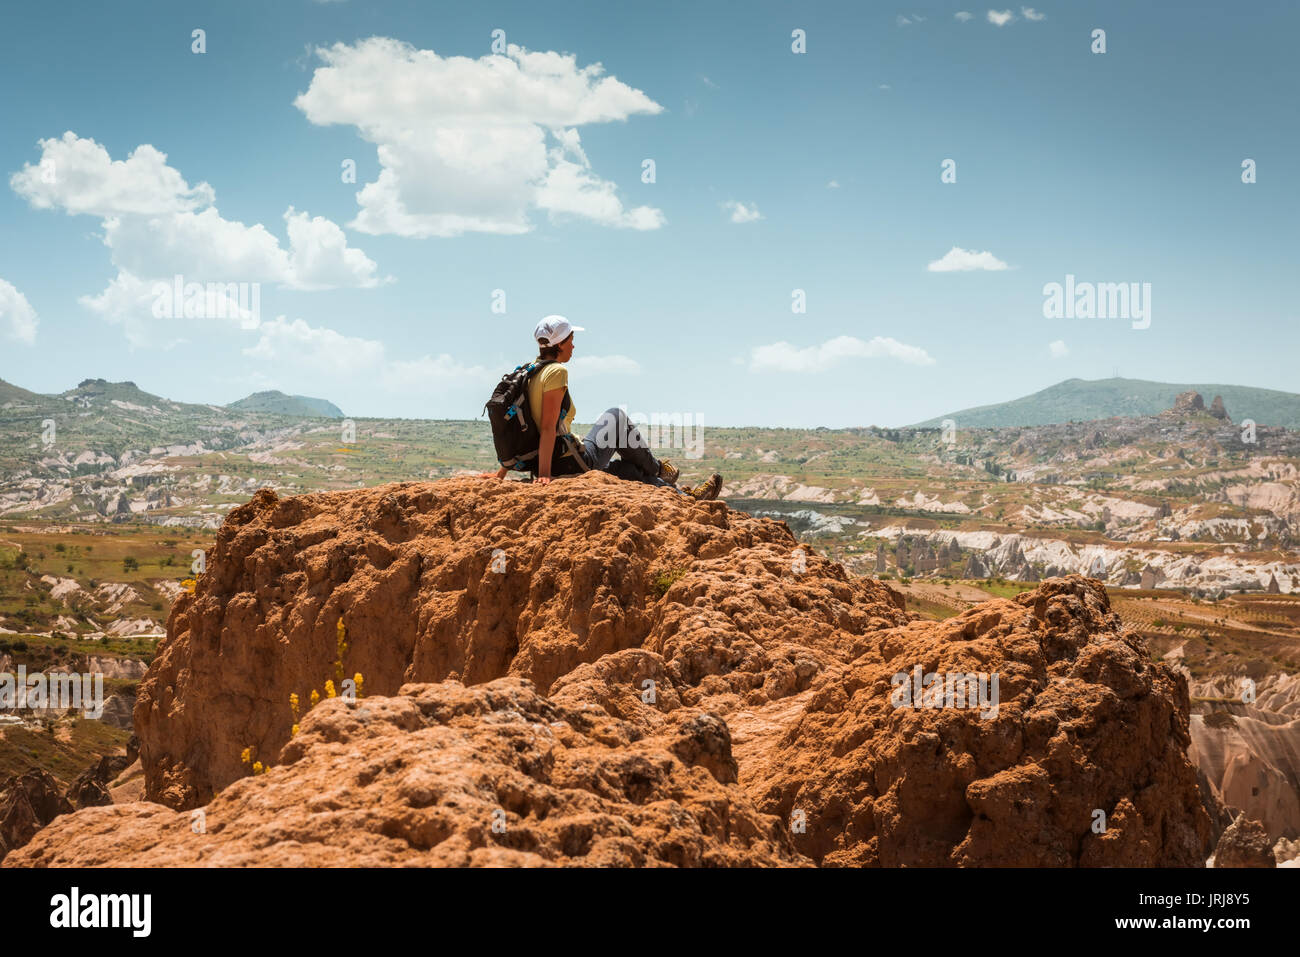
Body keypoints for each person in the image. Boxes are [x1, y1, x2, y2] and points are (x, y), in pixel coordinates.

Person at [486, 315, 722, 499]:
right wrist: (546, 476)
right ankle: (659, 469)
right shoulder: (556, 372)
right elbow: (547, 427)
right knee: (615, 417)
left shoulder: (528, 371)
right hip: (566, 462)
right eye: (571, 340)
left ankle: (684, 497)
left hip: (549, 462)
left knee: (627, 472)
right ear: (559, 344)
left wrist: (502, 472)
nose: (573, 347)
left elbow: (517, 427)